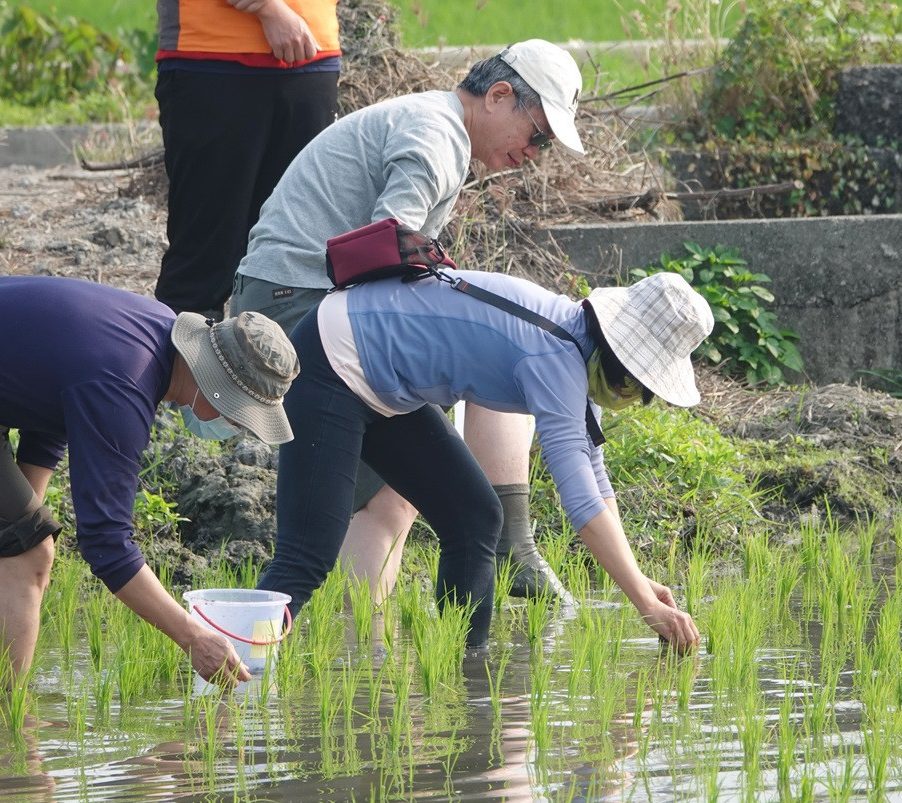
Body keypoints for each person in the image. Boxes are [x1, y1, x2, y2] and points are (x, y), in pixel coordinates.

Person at [232, 38, 587, 606]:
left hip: (296, 297)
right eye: (538, 134)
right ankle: (361, 662)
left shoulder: (438, 125)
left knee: (399, 498)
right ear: (499, 96)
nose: (535, 153)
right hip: (293, 305)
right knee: (381, 505)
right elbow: (386, 250)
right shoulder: (436, 138)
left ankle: (367, 663)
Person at [0, 276, 299, 684]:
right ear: (217, 386)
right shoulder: (124, 384)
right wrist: (192, 637)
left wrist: (23, 511)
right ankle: (3, 731)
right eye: (242, 412)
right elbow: (107, 543)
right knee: (27, 553)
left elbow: (53, 393)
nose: (238, 425)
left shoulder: (152, 335)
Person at [257, 269, 711, 651]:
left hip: (384, 386)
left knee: (474, 518)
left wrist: (639, 579)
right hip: (332, 362)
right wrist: (644, 604)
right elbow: (580, 506)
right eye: (634, 387)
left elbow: (595, 477)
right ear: (618, 358)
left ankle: (466, 676)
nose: (629, 398)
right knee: (306, 556)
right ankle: (231, 670)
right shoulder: (554, 355)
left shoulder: (578, 347)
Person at [154, 0, 340, 319]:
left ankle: (269, 367)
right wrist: (268, 8)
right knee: (204, 259)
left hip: (313, 58)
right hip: (213, 59)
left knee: (293, 259)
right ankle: (181, 368)